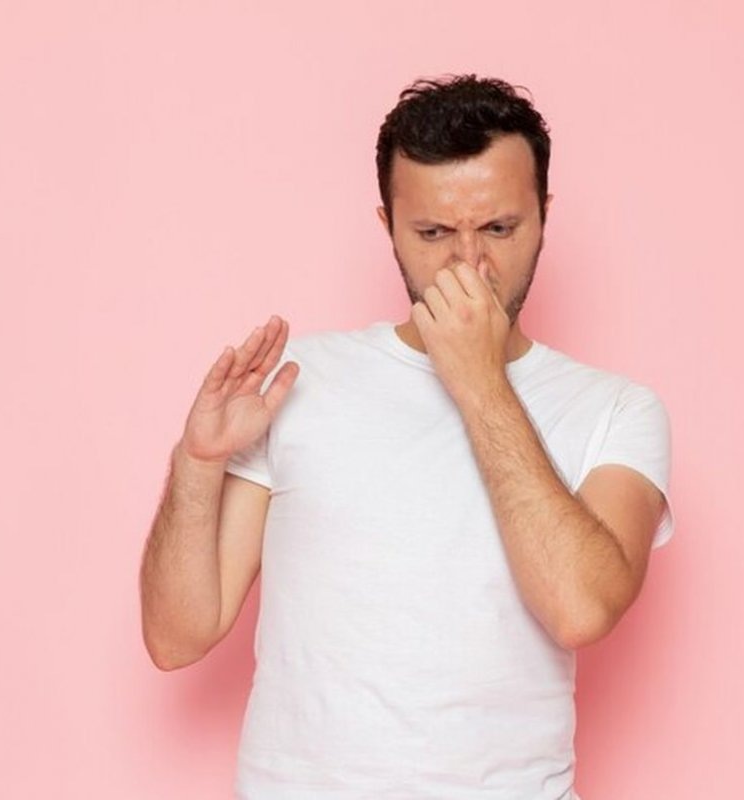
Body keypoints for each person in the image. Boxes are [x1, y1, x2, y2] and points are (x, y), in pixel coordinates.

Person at [139, 74, 674, 799]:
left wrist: (480, 380)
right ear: (388, 224)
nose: (468, 264)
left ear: (544, 216)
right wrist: (198, 463)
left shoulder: (616, 409)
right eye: (432, 233)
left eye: (499, 228)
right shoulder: (300, 383)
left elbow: (581, 608)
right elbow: (176, 638)